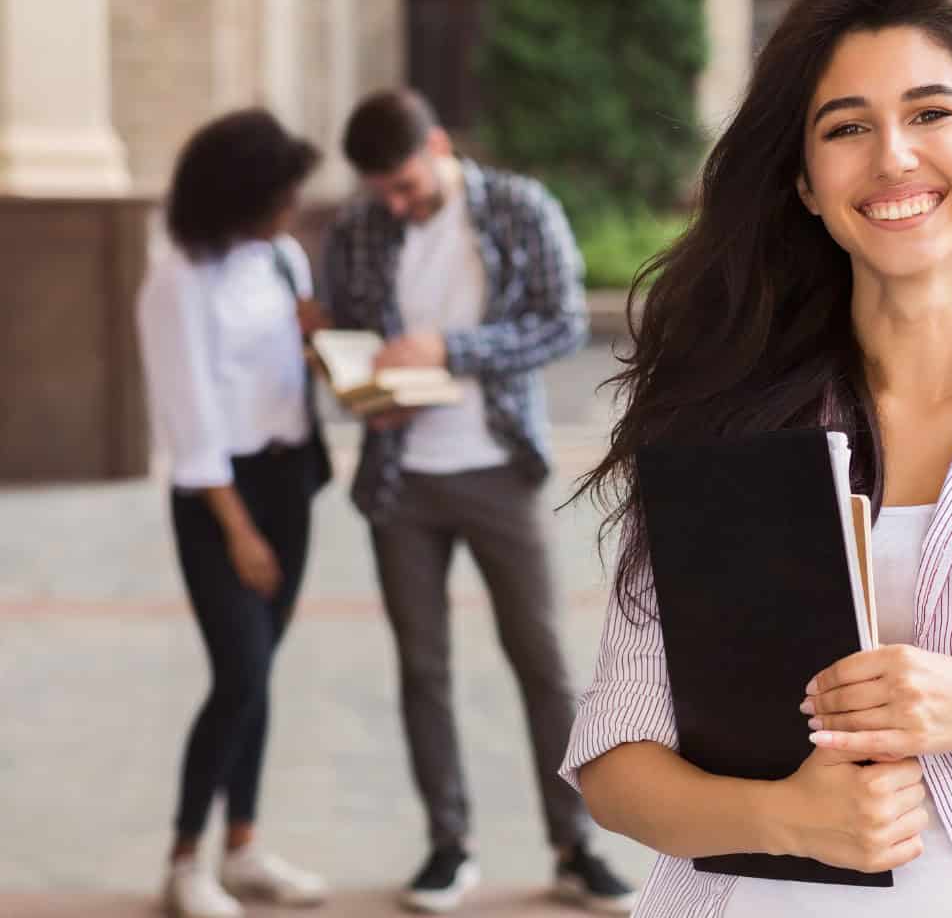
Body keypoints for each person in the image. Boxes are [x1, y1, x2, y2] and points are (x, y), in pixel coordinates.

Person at [560, 0, 952, 917]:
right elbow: (616, 762)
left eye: (931, 113)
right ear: (804, 181)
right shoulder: (722, 415)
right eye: (847, 127)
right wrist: (789, 820)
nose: (893, 157)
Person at [322, 89, 638, 914]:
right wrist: (363, 391)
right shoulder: (359, 229)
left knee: (544, 665)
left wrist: (450, 350)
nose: (394, 204)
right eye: (380, 191)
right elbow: (349, 339)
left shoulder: (518, 207)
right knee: (421, 669)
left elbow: (563, 322)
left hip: (501, 468)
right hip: (400, 480)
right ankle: (446, 846)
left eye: (404, 185)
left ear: (436, 145)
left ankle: (574, 846)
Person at [138, 108, 330, 918]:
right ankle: (184, 864)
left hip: (290, 483)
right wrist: (239, 530)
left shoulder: (283, 259)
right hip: (221, 498)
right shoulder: (179, 276)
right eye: (279, 193)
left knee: (260, 675)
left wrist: (320, 345)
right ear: (237, 195)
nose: (291, 207)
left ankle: (243, 847)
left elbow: (294, 373)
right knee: (239, 674)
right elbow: (192, 419)